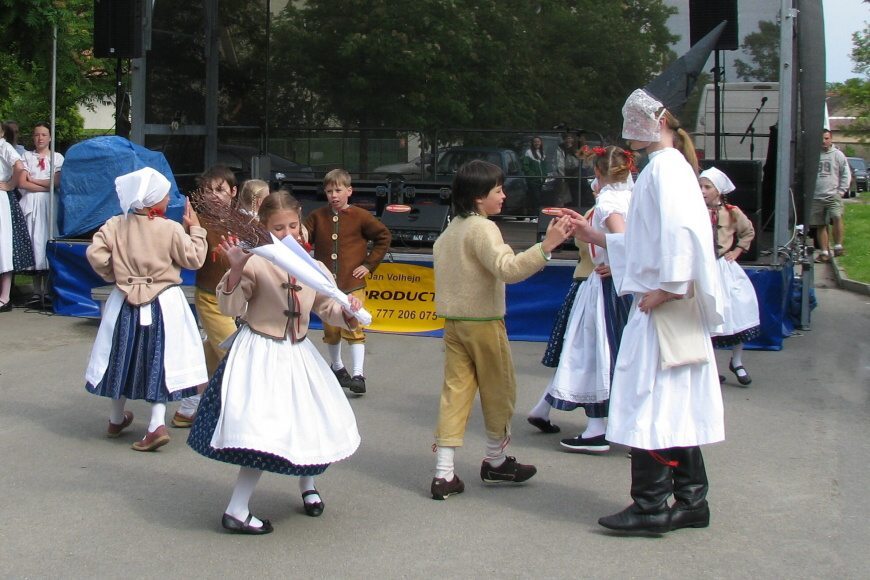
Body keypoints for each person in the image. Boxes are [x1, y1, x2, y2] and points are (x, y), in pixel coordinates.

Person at [573, 88, 725, 533]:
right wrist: (597, 236)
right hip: (666, 305)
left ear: (656, 124)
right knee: (671, 403)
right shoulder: (667, 166)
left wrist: (669, 288)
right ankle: (691, 501)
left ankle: (651, 505)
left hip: (664, 308)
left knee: (650, 401)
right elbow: (652, 237)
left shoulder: (665, 168)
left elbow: (682, 233)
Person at [188, 191, 362, 535]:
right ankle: (237, 508)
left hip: (297, 352)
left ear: (302, 225)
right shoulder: (255, 260)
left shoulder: (314, 268)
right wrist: (236, 269)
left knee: (308, 421)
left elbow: (327, 306)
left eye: (293, 225)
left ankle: (307, 485)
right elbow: (230, 307)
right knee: (264, 433)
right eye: (278, 227)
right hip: (261, 352)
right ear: (264, 229)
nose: (288, 233)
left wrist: (347, 311)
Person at [429, 159, 576, 500]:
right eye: (498, 190)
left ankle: (444, 473)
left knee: (455, 394)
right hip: (483, 323)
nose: (504, 196)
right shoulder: (483, 229)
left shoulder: (450, 230)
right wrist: (547, 246)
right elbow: (507, 269)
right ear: (479, 197)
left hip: (454, 324)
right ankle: (495, 461)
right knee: (499, 391)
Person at [84, 167, 208, 451]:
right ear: (154, 200)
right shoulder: (170, 228)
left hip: (124, 301)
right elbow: (194, 259)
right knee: (158, 359)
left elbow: (95, 253)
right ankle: (155, 423)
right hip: (163, 302)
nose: (168, 200)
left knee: (121, 356)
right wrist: (196, 230)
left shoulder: (116, 224)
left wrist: (114, 274)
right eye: (165, 196)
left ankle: (116, 417)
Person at [527, 147, 634, 453]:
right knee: (612, 352)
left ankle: (597, 428)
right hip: (619, 284)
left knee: (598, 352)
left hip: (607, 288)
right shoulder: (633, 197)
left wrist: (597, 241)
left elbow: (625, 240)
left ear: (599, 173)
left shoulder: (610, 201)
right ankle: (608, 424)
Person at [304, 168, 391, 395]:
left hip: (353, 283)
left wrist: (369, 264)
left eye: (338, 190)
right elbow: (304, 239)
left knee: (354, 326)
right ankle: (337, 366)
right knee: (331, 329)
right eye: (329, 190)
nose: (334, 195)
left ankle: (358, 374)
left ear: (349, 191)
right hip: (326, 286)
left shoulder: (361, 216)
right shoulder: (317, 216)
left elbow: (383, 236)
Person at [173, 166, 239, 428]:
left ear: (233, 192)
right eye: (208, 190)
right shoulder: (196, 221)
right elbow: (188, 256)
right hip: (211, 297)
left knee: (210, 355)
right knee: (233, 354)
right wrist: (190, 228)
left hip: (236, 299)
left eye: (220, 190)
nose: (214, 195)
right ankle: (236, 415)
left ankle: (188, 406)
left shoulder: (242, 220)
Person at [699, 167, 761, 386]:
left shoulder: (732, 212)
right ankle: (710, 366)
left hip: (723, 267)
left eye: (707, 187)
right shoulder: (694, 210)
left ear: (719, 190)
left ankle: (737, 360)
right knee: (708, 315)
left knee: (737, 310)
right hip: (705, 268)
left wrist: (737, 251)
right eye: (701, 186)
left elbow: (748, 231)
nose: (703, 191)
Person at [19, 122, 64, 305]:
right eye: (37, 135)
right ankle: (36, 290)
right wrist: (45, 184)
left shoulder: (57, 157)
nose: (40, 138)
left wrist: (35, 180)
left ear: (50, 137)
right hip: (32, 203)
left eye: (44, 135)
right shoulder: (26, 156)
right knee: (33, 240)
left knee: (47, 238)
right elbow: (22, 183)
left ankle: (49, 289)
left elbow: (57, 182)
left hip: (49, 204)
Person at [0, 129, 34, 312]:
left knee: (3, 246)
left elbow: (19, 166)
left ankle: (4, 297)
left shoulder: (4, 147)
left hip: (1, 199)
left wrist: (11, 184)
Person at [811, 129, 850, 262]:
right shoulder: (813, 155)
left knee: (837, 216)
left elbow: (845, 173)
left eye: (827, 138)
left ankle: (838, 246)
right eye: (822, 138)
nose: (824, 141)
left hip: (833, 194)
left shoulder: (838, 155)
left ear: (831, 139)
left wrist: (841, 191)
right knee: (820, 224)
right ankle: (824, 252)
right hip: (816, 196)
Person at [522, 136, 547, 214]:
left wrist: (545, 176)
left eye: (538, 141)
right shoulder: (528, 153)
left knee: (540, 199)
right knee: (535, 198)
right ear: (532, 143)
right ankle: (533, 216)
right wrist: (532, 175)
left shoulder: (542, 153)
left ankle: (538, 215)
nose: (537, 143)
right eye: (535, 142)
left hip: (541, 180)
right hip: (533, 180)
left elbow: (544, 166)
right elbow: (525, 166)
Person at [554, 133, 581, 208]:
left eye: (570, 138)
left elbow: (581, 161)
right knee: (563, 195)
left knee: (575, 194)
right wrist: (561, 176)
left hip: (576, 175)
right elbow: (559, 163)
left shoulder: (576, 148)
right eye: (567, 138)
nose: (569, 140)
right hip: (564, 175)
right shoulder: (560, 148)